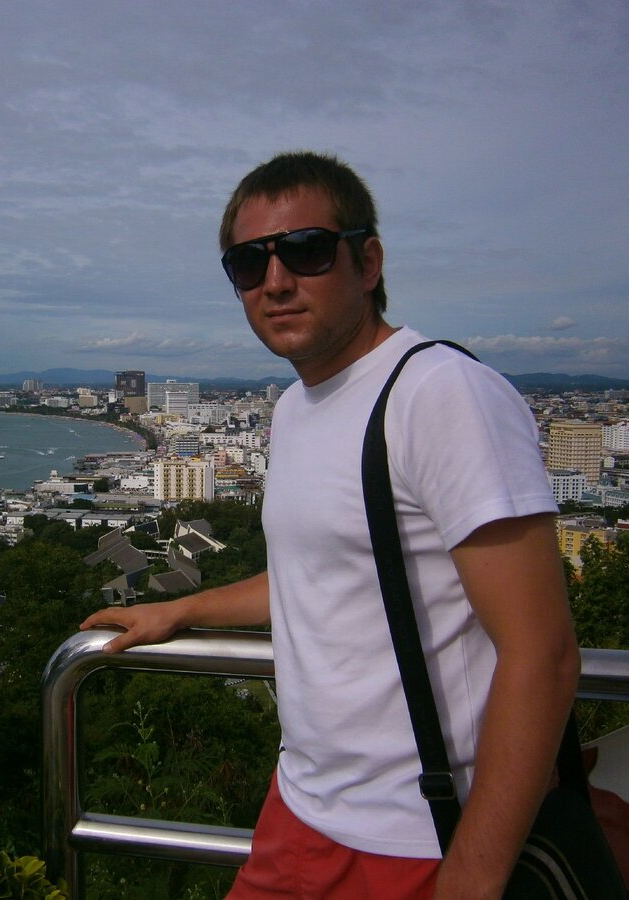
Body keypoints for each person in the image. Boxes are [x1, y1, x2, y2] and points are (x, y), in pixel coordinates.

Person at [80, 152, 579, 899]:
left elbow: (543, 652)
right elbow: (318, 575)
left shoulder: (441, 394)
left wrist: (472, 879)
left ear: (367, 261)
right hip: (300, 808)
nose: (276, 281)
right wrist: (180, 610)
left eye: (306, 250)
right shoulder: (294, 408)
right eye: (249, 264)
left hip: (421, 835)